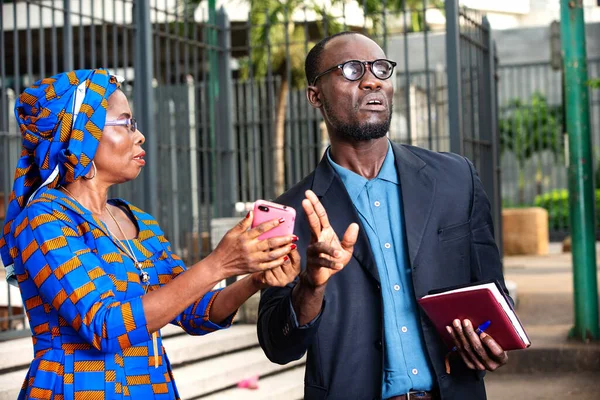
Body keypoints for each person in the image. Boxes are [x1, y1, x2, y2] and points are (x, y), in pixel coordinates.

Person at [0, 69, 300, 399]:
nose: (140, 135)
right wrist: (218, 264)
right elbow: (105, 327)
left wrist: (254, 278)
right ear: (83, 133)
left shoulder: (138, 221)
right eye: (126, 123)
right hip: (75, 389)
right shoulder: (44, 219)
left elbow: (196, 311)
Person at [257, 32, 510, 400]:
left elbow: (493, 294)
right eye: (351, 69)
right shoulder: (288, 216)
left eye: (380, 68)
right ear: (316, 96)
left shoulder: (456, 179)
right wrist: (310, 284)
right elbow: (278, 346)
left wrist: (490, 338)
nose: (372, 79)